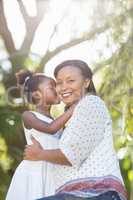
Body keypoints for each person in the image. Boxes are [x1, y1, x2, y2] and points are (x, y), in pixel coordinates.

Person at [24, 60, 127, 200]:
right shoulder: (74, 115)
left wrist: (39, 154)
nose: (62, 87)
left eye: (70, 80)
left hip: (96, 192)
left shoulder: (90, 103)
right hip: (80, 194)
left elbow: (71, 154)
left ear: (86, 82)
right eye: (59, 83)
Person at [6, 70, 75, 200]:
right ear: (37, 95)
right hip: (36, 171)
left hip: (53, 171)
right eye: (51, 87)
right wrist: (73, 109)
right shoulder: (29, 115)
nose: (57, 89)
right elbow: (50, 128)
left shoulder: (56, 121)